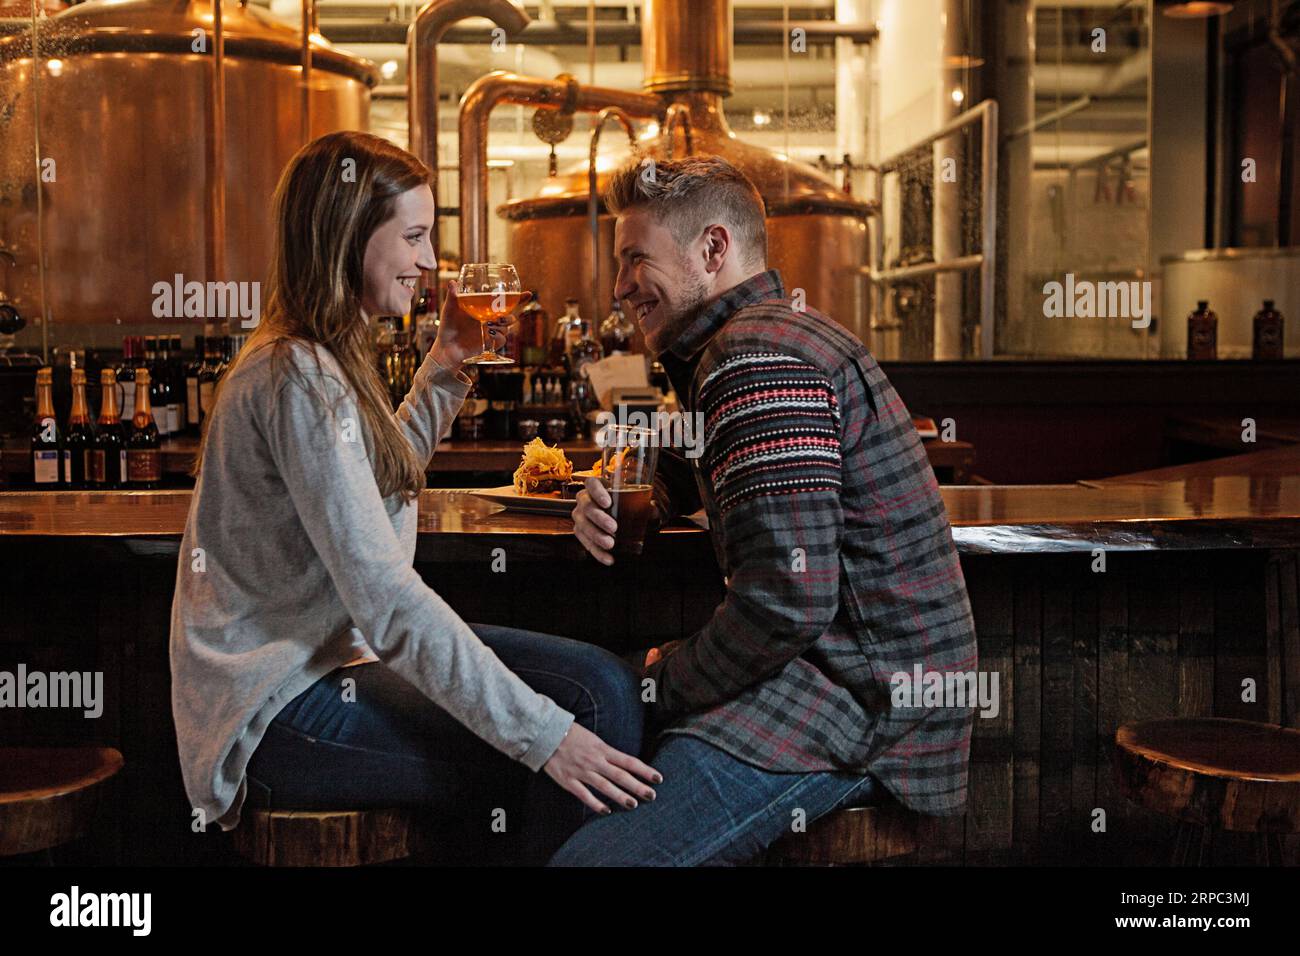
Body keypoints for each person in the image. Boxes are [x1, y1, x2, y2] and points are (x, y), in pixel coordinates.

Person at [170, 130, 658, 865]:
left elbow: (376, 482)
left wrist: (447, 363)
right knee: (574, 723)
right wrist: (543, 738)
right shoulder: (296, 376)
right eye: (416, 236)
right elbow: (388, 601)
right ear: (348, 235)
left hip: (337, 667)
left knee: (603, 684)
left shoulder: (324, 357)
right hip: (278, 710)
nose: (431, 263)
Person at [556, 155, 978, 866]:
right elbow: (709, 467)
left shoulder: (754, 357)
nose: (620, 286)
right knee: (598, 722)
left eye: (636, 260)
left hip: (860, 707)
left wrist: (663, 679)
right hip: (841, 681)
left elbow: (787, 602)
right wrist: (643, 494)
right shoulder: (761, 338)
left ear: (713, 249)